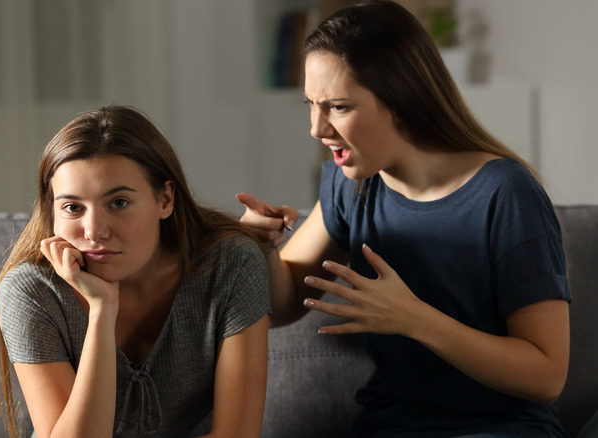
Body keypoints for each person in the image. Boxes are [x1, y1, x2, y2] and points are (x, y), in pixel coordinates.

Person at [237, 1, 571, 437]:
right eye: (311, 104)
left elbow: (547, 376)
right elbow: (281, 307)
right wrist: (261, 250)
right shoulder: (349, 185)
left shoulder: (506, 194)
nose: (316, 129)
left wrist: (417, 320)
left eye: (338, 107)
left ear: (400, 99)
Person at [0, 105, 270, 438]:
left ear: (165, 199)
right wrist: (101, 312)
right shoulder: (30, 292)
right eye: (73, 207)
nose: (93, 231)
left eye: (118, 203)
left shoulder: (230, 265)